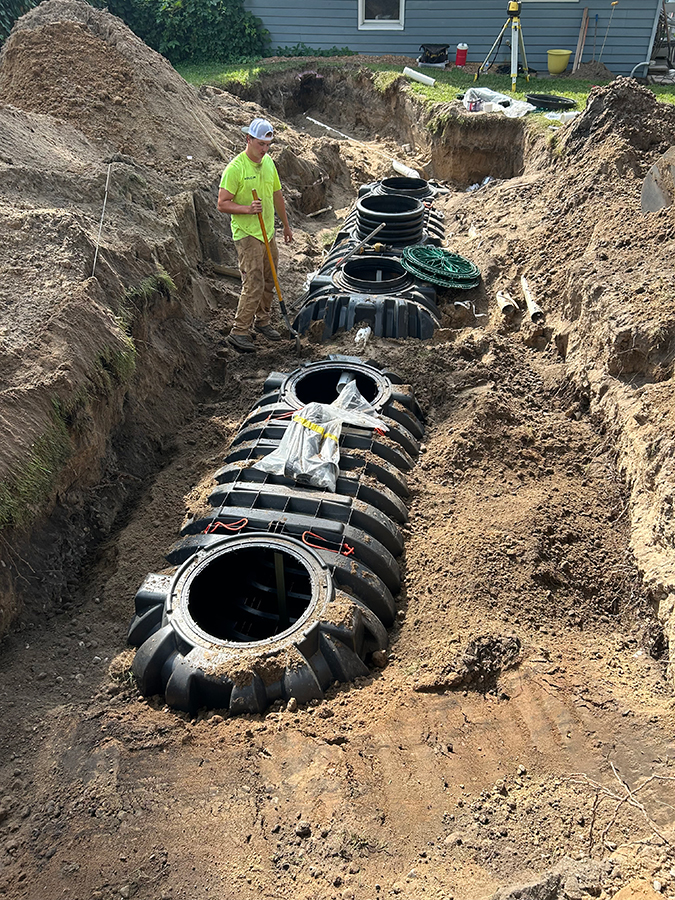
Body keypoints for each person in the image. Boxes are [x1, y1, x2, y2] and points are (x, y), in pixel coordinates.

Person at [217, 117, 293, 352]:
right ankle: (239, 332)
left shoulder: (268, 163)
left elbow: (277, 195)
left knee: (270, 279)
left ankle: (263, 321)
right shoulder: (235, 169)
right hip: (247, 234)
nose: (264, 149)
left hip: (267, 232)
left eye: (268, 145)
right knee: (254, 282)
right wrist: (247, 209)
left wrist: (286, 226)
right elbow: (222, 203)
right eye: (261, 144)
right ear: (248, 139)